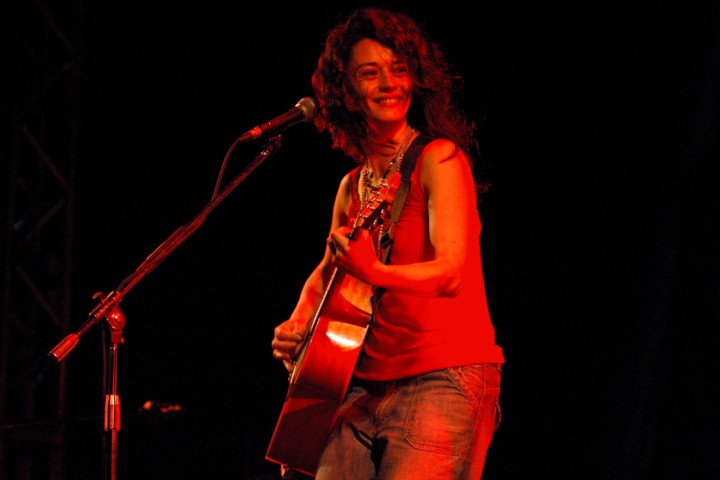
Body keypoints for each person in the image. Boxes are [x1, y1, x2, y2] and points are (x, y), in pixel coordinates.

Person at [270, 7, 504, 479]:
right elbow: (327, 271)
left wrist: (374, 272)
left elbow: (451, 271)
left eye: (398, 70)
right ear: (346, 93)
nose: (389, 84)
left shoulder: (439, 158)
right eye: (369, 73)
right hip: (356, 385)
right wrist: (298, 324)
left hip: (442, 377)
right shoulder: (351, 186)